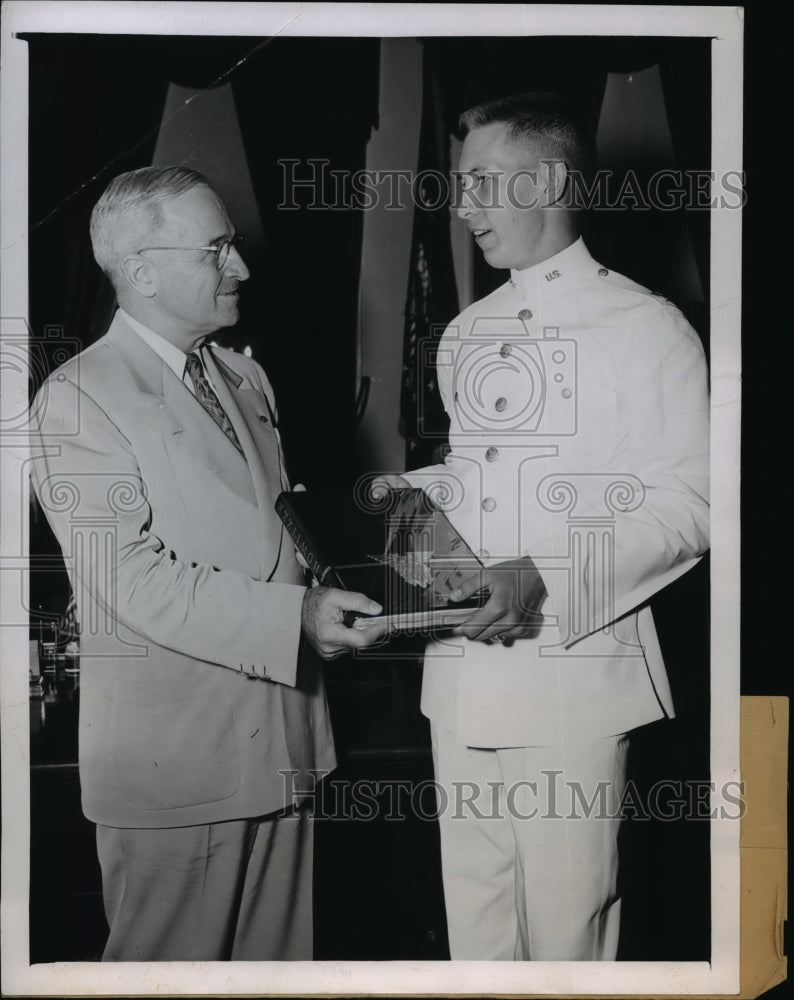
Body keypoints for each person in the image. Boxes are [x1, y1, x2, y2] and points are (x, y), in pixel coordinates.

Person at [374, 92, 709, 960]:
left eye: (482, 182)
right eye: (461, 185)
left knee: (567, 938)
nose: (464, 207)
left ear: (551, 180)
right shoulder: (466, 332)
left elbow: (691, 501)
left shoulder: (647, 327)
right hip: (461, 673)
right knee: (475, 935)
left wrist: (548, 572)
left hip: (573, 674)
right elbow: (483, 475)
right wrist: (409, 499)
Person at [29, 166, 387, 961]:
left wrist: (345, 578)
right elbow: (130, 579)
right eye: (218, 249)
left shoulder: (244, 375)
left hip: (287, 745)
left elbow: (279, 535)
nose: (243, 267)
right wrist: (293, 618)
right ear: (144, 269)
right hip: (178, 771)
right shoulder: (78, 398)